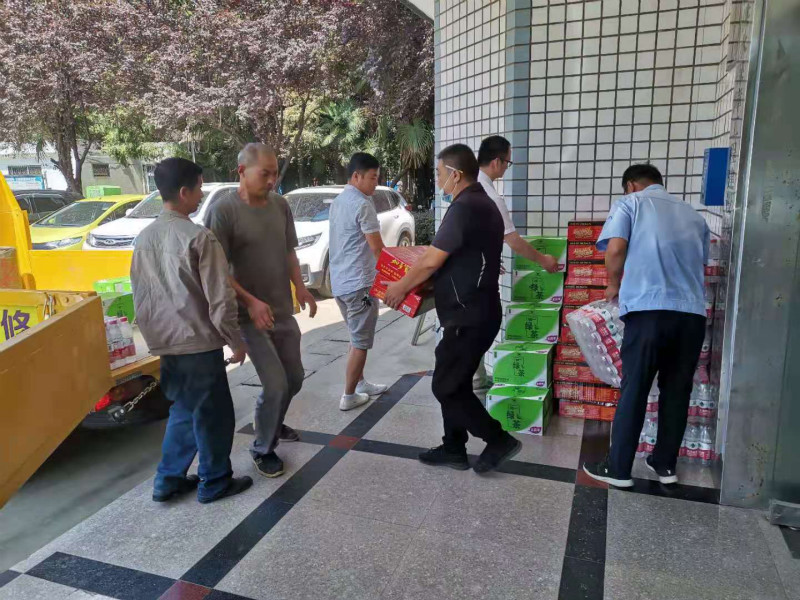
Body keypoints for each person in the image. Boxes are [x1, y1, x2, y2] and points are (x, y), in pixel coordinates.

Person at [384, 144, 521, 474]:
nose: (437, 179)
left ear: (455, 175)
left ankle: (498, 439)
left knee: (445, 386)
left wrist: (401, 286)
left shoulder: (465, 207)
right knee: (455, 383)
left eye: (439, 173)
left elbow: (432, 259)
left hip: (467, 315)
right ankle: (453, 448)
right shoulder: (482, 203)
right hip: (477, 311)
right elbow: (463, 258)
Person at [131, 157, 252, 504]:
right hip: (198, 345)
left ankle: (167, 480)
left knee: (183, 412)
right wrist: (236, 341)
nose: (201, 195)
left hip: (166, 345)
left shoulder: (144, 238)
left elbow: (142, 296)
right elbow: (220, 299)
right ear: (184, 192)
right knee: (214, 416)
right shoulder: (198, 237)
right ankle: (215, 481)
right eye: (199, 188)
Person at [583, 164, 709, 488]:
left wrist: (613, 284)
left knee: (635, 388)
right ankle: (665, 464)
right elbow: (700, 264)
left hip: (649, 312)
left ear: (631, 185)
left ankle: (618, 469)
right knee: (677, 391)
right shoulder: (694, 216)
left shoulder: (631, 203)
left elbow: (615, 248)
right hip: (692, 316)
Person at [205, 143, 318, 479]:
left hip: (281, 309)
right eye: (264, 174)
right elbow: (216, 268)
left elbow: (289, 252)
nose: (272, 180)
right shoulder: (223, 211)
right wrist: (251, 302)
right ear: (241, 171)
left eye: (275, 173)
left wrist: (300, 287)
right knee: (276, 384)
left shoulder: (280, 205)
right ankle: (262, 448)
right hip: (248, 316)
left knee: (294, 378)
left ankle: (272, 420)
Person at [473, 135, 560, 390]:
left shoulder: (469, 186)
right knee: (480, 327)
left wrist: (486, 257)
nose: (506, 168)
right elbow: (512, 239)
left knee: (473, 329)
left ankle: (477, 379)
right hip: (475, 282)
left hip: (470, 272)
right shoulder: (490, 196)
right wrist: (544, 260)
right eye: (508, 163)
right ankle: (476, 385)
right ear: (497, 162)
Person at [329, 153, 388, 410]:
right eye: (373, 178)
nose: (376, 183)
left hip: (340, 283)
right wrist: (394, 279)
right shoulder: (363, 204)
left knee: (356, 337)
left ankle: (360, 382)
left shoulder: (339, 201)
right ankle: (349, 395)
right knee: (360, 343)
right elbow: (377, 249)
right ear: (356, 176)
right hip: (359, 284)